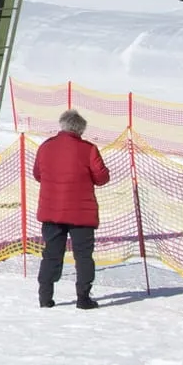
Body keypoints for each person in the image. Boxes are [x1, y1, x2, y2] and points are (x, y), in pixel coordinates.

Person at [32, 108, 111, 309]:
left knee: (51, 253)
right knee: (83, 256)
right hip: (81, 213)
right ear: (80, 130)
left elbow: (37, 174)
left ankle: (45, 297)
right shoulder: (89, 149)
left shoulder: (46, 147)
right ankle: (83, 298)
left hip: (52, 211)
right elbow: (101, 178)